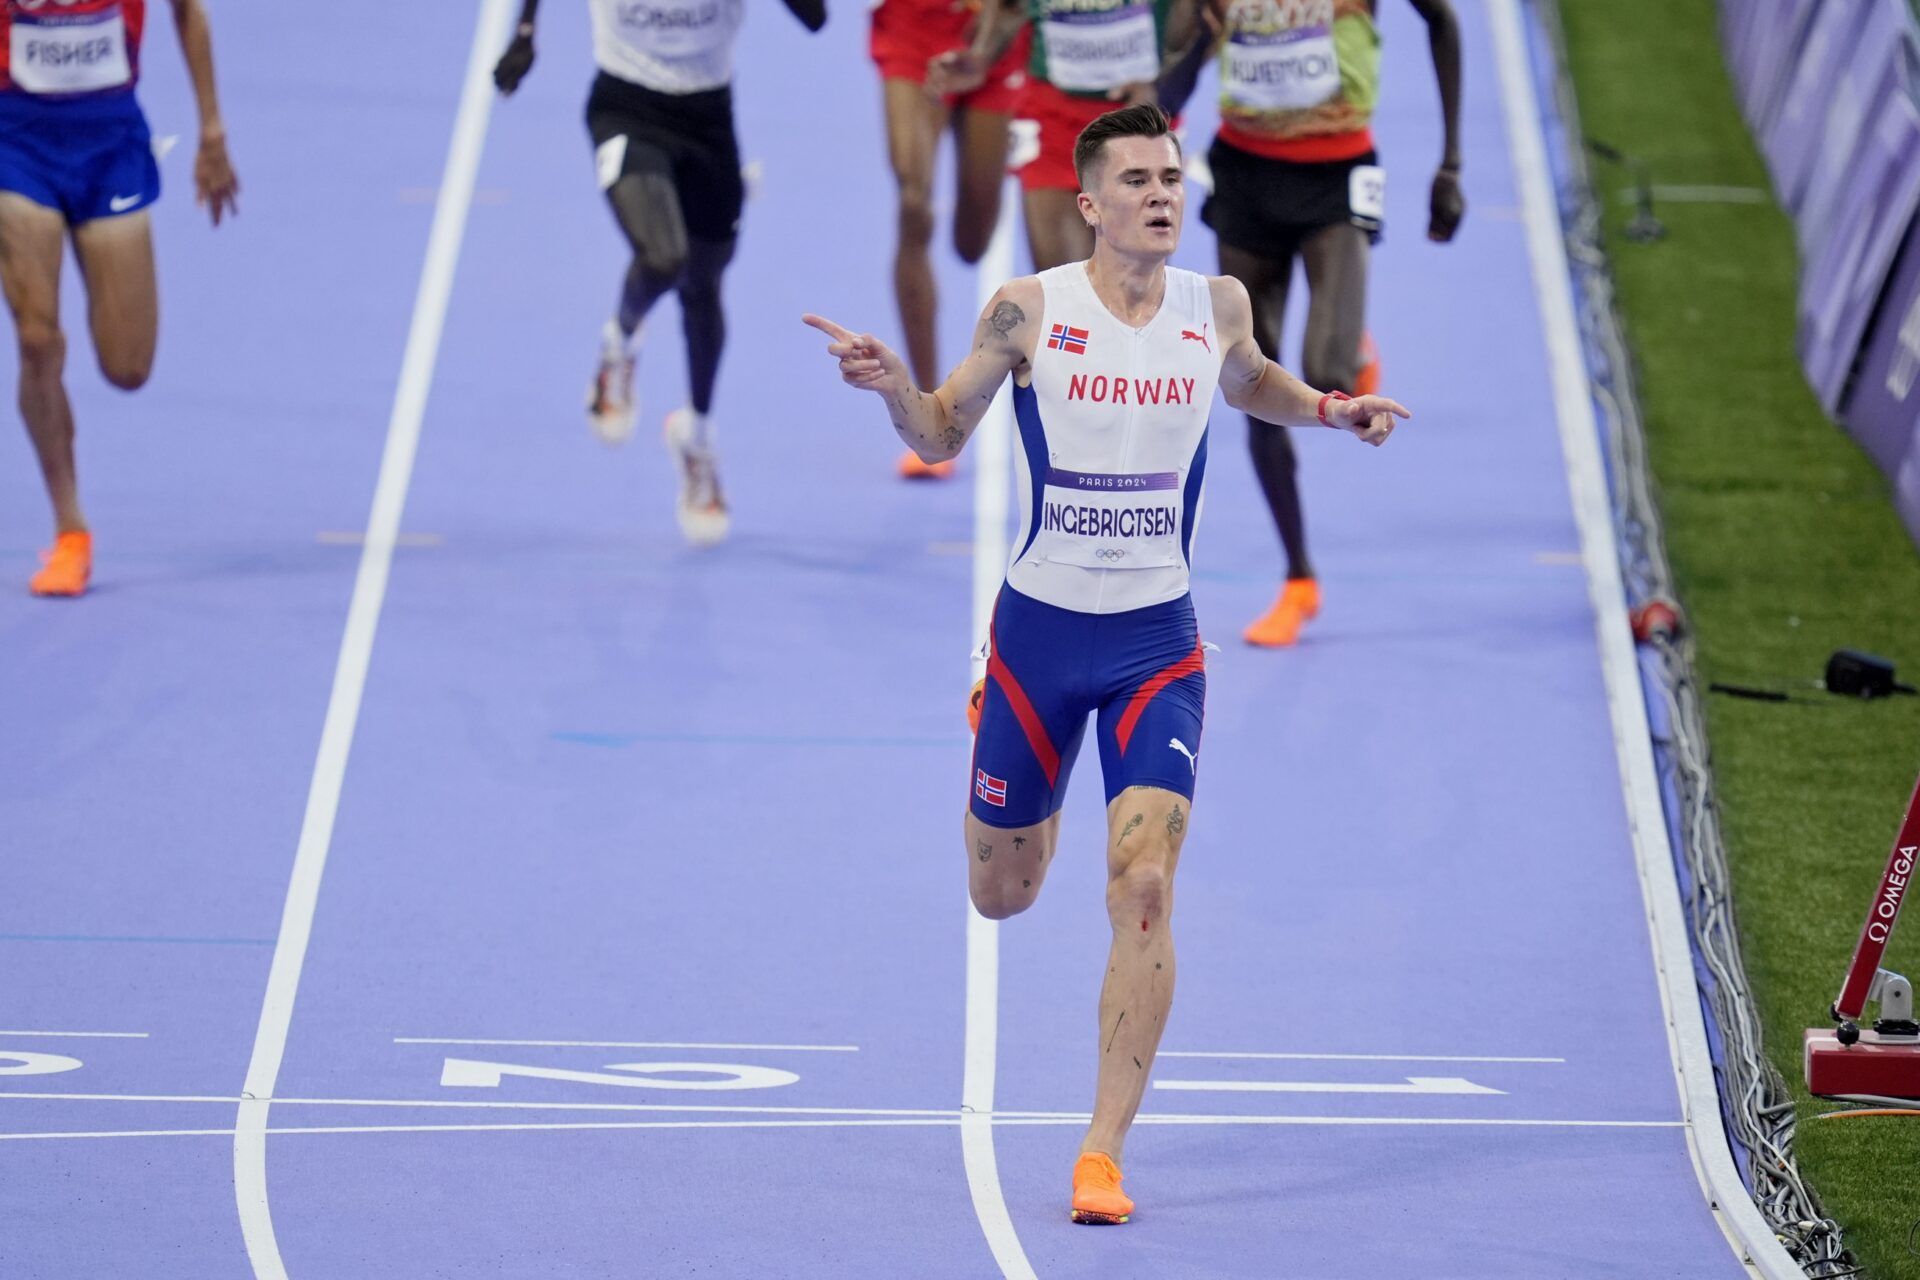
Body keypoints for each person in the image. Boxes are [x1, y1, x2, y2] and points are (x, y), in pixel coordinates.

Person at [803, 103, 1409, 1225]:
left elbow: (1252, 380)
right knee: (1004, 894)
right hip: (1037, 640)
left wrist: (1330, 408)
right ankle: (999, 720)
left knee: (1142, 882)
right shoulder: (1029, 310)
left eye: (1172, 177)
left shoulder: (1213, 303)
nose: (1163, 195)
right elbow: (939, 434)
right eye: (1136, 179)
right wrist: (893, 384)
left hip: (1154, 650)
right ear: (1090, 203)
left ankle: (1100, 1150)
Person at [1160, 0, 1462, 646]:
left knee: (1329, 377)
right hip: (1244, 173)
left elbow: (1441, 19)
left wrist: (1451, 163)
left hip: (1337, 172)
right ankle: (1299, 577)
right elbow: (1172, 79)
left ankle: (1349, 339)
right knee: (1249, 380)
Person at [493, 0, 826, 546]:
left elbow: (815, 19)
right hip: (626, 106)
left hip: (707, 120)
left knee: (702, 286)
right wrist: (525, 32)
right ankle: (618, 344)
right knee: (663, 256)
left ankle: (696, 438)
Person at [0, 0, 239, 597]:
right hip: (15, 139)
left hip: (109, 144)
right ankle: (70, 529)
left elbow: (189, 12)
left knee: (128, 365)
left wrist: (212, 132)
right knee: (36, 338)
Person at [870, 0, 1029, 481]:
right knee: (912, 203)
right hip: (913, 28)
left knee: (972, 243)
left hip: (995, 32)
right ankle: (925, 411)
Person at [931, 0, 1198, 273]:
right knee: (1068, 297)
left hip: (1136, 120)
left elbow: (1203, 20)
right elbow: (1010, 7)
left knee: (1130, 293)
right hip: (1052, 118)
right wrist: (981, 56)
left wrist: (1159, 87)